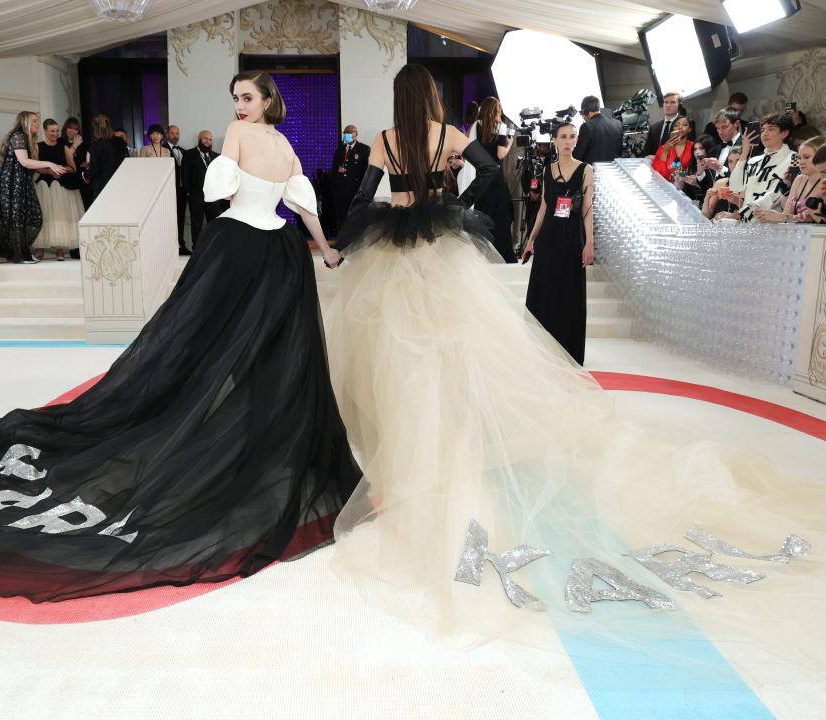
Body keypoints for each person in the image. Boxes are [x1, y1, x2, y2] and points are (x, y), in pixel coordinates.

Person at [325, 65, 825, 673]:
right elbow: (488, 172)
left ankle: (414, 448)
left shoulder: (383, 138)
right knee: (461, 347)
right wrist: (450, 205)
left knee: (400, 355)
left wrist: (354, 232)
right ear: (429, 97)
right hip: (441, 252)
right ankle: (457, 436)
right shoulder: (449, 135)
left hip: (394, 257)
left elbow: (360, 196)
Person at [0, 70, 360, 603]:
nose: (238, 107)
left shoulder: (239, 134)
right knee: (252, 352)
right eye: (234, 99)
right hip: (280, 253)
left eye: (246, 98)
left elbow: (222, 191)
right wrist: (325, 251)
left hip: (240, 248)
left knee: (217, 348)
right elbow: (302, 205)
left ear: (267, 100)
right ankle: (238, 441)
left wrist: (306, 230)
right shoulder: (284, 144)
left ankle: (225, 438)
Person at [521, 122, 593, 365]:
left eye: (572, 137)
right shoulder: (546, 169)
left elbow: (587, 210)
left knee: (568, 295)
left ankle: (567, 352)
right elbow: (543, 206)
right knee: (545, 292)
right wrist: (531, 238)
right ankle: (540, 350)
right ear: (554, 140)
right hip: (549, 238)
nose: (568, 141)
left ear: (576, 140)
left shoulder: (586, 169)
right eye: (563, 137)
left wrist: (589, 243)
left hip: (572, 238)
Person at [0, 111, 68, 263]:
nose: (37, 124)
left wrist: (49, 170)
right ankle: (19, 255)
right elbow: (25, 162)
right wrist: (49, 163)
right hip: (12, 183)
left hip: (22, 182)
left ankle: (20, 252)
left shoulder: (26, 138)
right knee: (17, 219)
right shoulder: (19, 136)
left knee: (32, 217)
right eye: (34, 121)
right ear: (26, 122)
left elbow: (28, 166)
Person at [717, 113, 796, 223]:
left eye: (771, 129)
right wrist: (744, 152)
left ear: (784, 133)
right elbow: (735, 186)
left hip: (771, 222)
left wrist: (746, 210)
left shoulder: (793, 158)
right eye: (763, 130)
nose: (765, 133)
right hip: (747, 221)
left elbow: (780, 192)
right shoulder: (754, 160)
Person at [469, 96, 516, 262]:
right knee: (500, 215)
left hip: (481, 174)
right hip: (496, 176)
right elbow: (500, 154)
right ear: (497, 110)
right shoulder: (501, 126)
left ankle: (481, 254)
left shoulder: (476, 126)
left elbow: (470, 150)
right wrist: (510, 143)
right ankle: (503, 254)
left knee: (483, 212)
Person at [33, 118, 84, 261]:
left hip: (59, 186)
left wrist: (62, 169)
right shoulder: (38, 146)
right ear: (45, 131)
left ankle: (60, 250)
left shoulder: (63, 147)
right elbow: (35, 166)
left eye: (56, 131)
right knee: (44, 216)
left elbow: (73, 168)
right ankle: (39, 249)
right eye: (52, 131)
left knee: (59, 215)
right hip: (44, 185)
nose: (55, 134)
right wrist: (48, 171)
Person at [753, 135, 825, 224]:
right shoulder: (799, 180)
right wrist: (766, 218)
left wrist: (779, 216)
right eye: (799, 157)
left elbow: (817, 221)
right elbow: (786, 219)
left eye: (806, 157)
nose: (801, 162)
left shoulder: (823, 183)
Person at [183, 129, 227, 250]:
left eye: (210, 139)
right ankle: (196, 248)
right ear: (199, 140)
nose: (208, 141)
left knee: (213, 223)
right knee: (196, 223)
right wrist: (188, 193)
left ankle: (213, 248)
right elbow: (185, 176)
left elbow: (220, 176)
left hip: (213, 197)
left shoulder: (217, 156)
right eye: (205, 138)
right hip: (196, 195)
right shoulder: (188, 154)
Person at [329, 124, 370, 232]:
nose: (348, 135)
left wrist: (363, 193)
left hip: (355, 193)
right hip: (341, 193)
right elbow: (333, 171)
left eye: (351, 132)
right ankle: (342, 243)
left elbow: (367, 173)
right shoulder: (339, 151)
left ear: (356, 134)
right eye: (346, 133)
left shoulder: (363, 150)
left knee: (356, 221)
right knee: (342, 221)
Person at [87, 114, 128, 203]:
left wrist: (86, 174)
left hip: (102, 185)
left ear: (97, 129)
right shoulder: (120, 141)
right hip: (119, 182)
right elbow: (125, 160)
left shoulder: (96, 145)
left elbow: (95, 168)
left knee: (100, 212)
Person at [573, 95, 623, 165]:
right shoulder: (618, 124)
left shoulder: (586, 127)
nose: (583, 117)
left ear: (585, 111)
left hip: (593, 172)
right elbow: (620, 151)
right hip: (613, 170)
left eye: (582, 114)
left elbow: (578, 155)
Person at [165, 124, 189, 254]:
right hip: (169, 191)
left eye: (177, 133)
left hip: (182, 191)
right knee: (169, 218)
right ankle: (170, 248)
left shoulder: (184, 151)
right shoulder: (162, 150)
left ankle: (181, 244)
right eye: (173, 133)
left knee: (181, 218)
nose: (175, 136)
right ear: (167, 134)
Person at [651, 115, 694, 181]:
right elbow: (658, 173)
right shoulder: (663, 148)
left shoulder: (694, 147)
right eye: (676, 125)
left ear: (690, 129)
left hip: (687, 188)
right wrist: (665, 150)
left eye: (684, 125)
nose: (680, 127)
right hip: (665, 186)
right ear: (672, 129)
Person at [642, 91, 683, 158]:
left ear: (679, 106)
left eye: (672, 102)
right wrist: (648, 157)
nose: (668, 105)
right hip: (655, 166)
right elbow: (646, 152)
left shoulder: (686, 125)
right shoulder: (654, 127)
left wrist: (658, 157)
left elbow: (686, 152)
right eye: (666, 102)